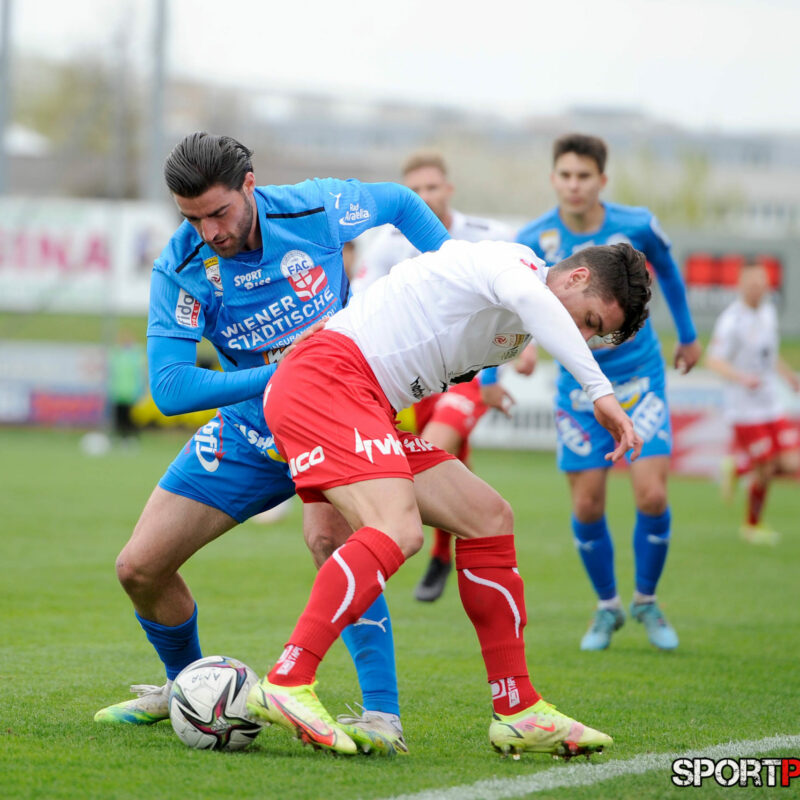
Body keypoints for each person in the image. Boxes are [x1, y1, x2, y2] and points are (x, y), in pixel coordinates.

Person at [93, 132, 450, 754]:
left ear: (250, 186)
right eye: (192, 218)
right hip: (252, 430)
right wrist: (285, 372)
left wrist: (456, 273)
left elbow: (397, 202)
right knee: (139, 567)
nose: (209, 231)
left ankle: (382, 716)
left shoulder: (315, 209)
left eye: (219, 212)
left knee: (330, 538)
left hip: (336, 416)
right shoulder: (180, 268)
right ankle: (193, 690)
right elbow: (172, 387)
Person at [246, 238, 651, 758]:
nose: (583, 335)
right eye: (591, 321)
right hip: (329, 383)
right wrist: (602, 393)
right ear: (573, 279)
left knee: (488, 516)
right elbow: (529, 301)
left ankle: (517, 708)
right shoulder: (514, 267)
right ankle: (287, 678)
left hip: (361, 400)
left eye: (595, 335)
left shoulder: (516, 310)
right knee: (398, 529)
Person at [517, 133, 701, 652]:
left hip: (640, 378)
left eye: (584, 176)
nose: (574, 185)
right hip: (577, 389)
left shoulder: (638, 224)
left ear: (602, 180)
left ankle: (646, 599)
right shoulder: (535, 237)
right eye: (566, 175)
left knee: (652, 493)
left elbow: (667, 269)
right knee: (589, 505)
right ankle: (607, 608)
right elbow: (515, 303)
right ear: (554, 179)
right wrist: (511, 359)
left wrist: (687, 335)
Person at [355, 151, 537, 602]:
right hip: (413, 373)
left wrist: (525, 350)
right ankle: (445, 550)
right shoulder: (387, 244)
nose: (424, 197)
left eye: (432, 187)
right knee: (452, 465)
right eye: (414, 190)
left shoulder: (487, 236)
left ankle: (434, 555)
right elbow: (360, 299)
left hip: (469, 375)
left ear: (449, 189)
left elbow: (526, 299)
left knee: (436, 449)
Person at [706, 261, 800, 545]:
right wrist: (742, 377)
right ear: (740, 285)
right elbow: (713, 360)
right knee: (767, 467)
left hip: (771, 403)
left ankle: (737, 468)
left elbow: (769, 355)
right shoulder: (731, 321)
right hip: (745, 410)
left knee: (791, 462)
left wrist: (787, 376)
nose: (757, 287)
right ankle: (751, 526)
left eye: (761, 282)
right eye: (752, 282)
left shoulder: (768, 313)